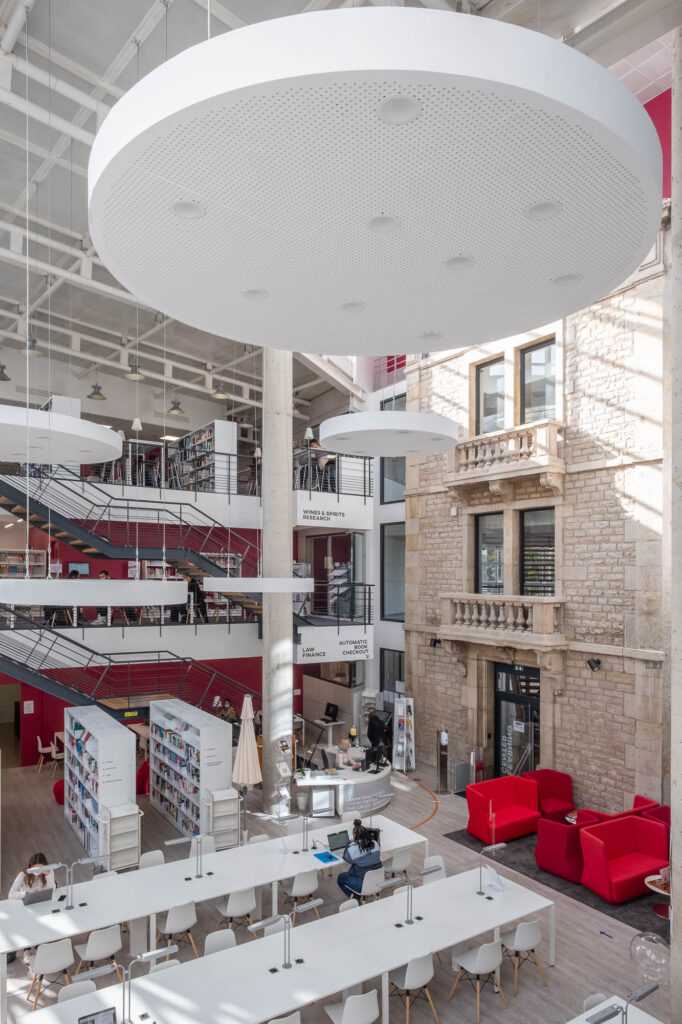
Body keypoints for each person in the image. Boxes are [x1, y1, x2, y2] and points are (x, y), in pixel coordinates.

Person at [337, 820, 382, 899]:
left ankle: (355, 899)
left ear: (354, 836)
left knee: (341, 878)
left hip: (363, 883)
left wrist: (349, 844)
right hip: (378, 880)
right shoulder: (375, 844)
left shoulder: (352, 850)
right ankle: (356, 896)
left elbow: (346, 859)